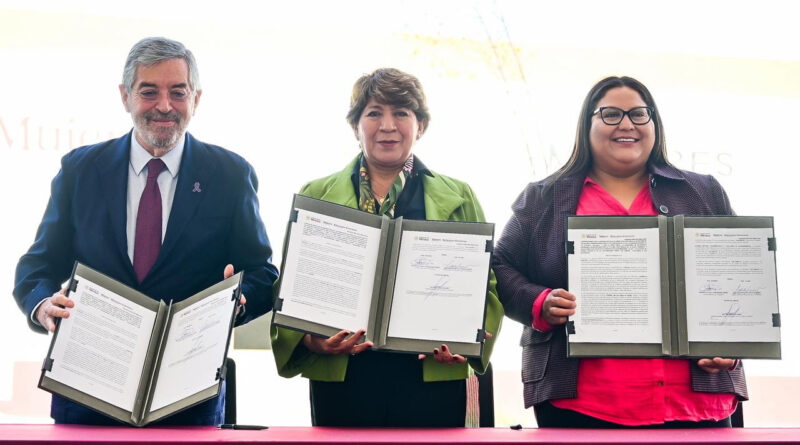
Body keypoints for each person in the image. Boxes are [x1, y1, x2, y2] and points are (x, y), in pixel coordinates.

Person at [13, 37, 279, 425]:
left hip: (188, 400)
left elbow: (262, 273)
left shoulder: (230, 175)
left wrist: (237, 301)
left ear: (196, 99)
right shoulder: (80, 170)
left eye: (178, 92)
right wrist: (41, 305)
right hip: (87, 391)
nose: (164, 106)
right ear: (125, 96)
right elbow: (35, 267)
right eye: (149, 91)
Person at [492, 76, 747, 428]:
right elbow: (499, 266)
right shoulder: (543, 197)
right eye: (611, 114)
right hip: (582, 405)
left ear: (654, 124)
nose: (627, 124)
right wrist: (541, 303)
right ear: (587, 125)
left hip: (695, 402)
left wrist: (731, 343)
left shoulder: (702, 192)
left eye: (639, 114)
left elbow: (739, 273)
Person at [270, 68, 502, 427]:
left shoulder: (461, 196)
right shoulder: (316, 194)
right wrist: (312, 341)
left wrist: (466, 342)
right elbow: (292, 284)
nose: (388, 125)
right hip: (345, 379)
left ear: (420, 125)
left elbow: (485, 287)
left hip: (430, 378)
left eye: (402, 113)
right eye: (374, 113)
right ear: (355, 126)